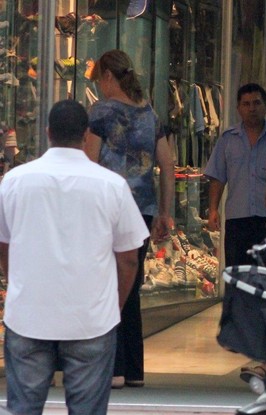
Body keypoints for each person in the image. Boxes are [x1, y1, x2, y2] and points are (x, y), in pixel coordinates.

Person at [0, 99, 149, 415]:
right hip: (91, 319)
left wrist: (16, 285)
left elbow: (4, 245)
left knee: (23, 408)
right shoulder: (112, 186)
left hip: (28, 315)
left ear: (48, 132)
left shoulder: (13, 182)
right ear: (86, 135)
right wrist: (115, 305)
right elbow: (129, 258)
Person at [84, 49, 175, 389]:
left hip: (108, 210)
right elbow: (168, 164)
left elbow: (89, 162)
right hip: (143, 209)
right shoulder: (150, 113)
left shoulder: (102, 112)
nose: (100, 88)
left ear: (108, 76)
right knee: (132, 286)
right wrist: (164, 211)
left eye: (99, 81)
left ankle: (114, 368)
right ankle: (134, 368)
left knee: (108, 286)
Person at [205, 83, 266, 266]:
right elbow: (217, 177)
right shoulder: (228, 139)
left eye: (257, 103)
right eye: (246, 104)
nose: (252, 108)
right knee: (237, 275)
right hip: (237, 219)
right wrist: (213, 210)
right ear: (238, 109)